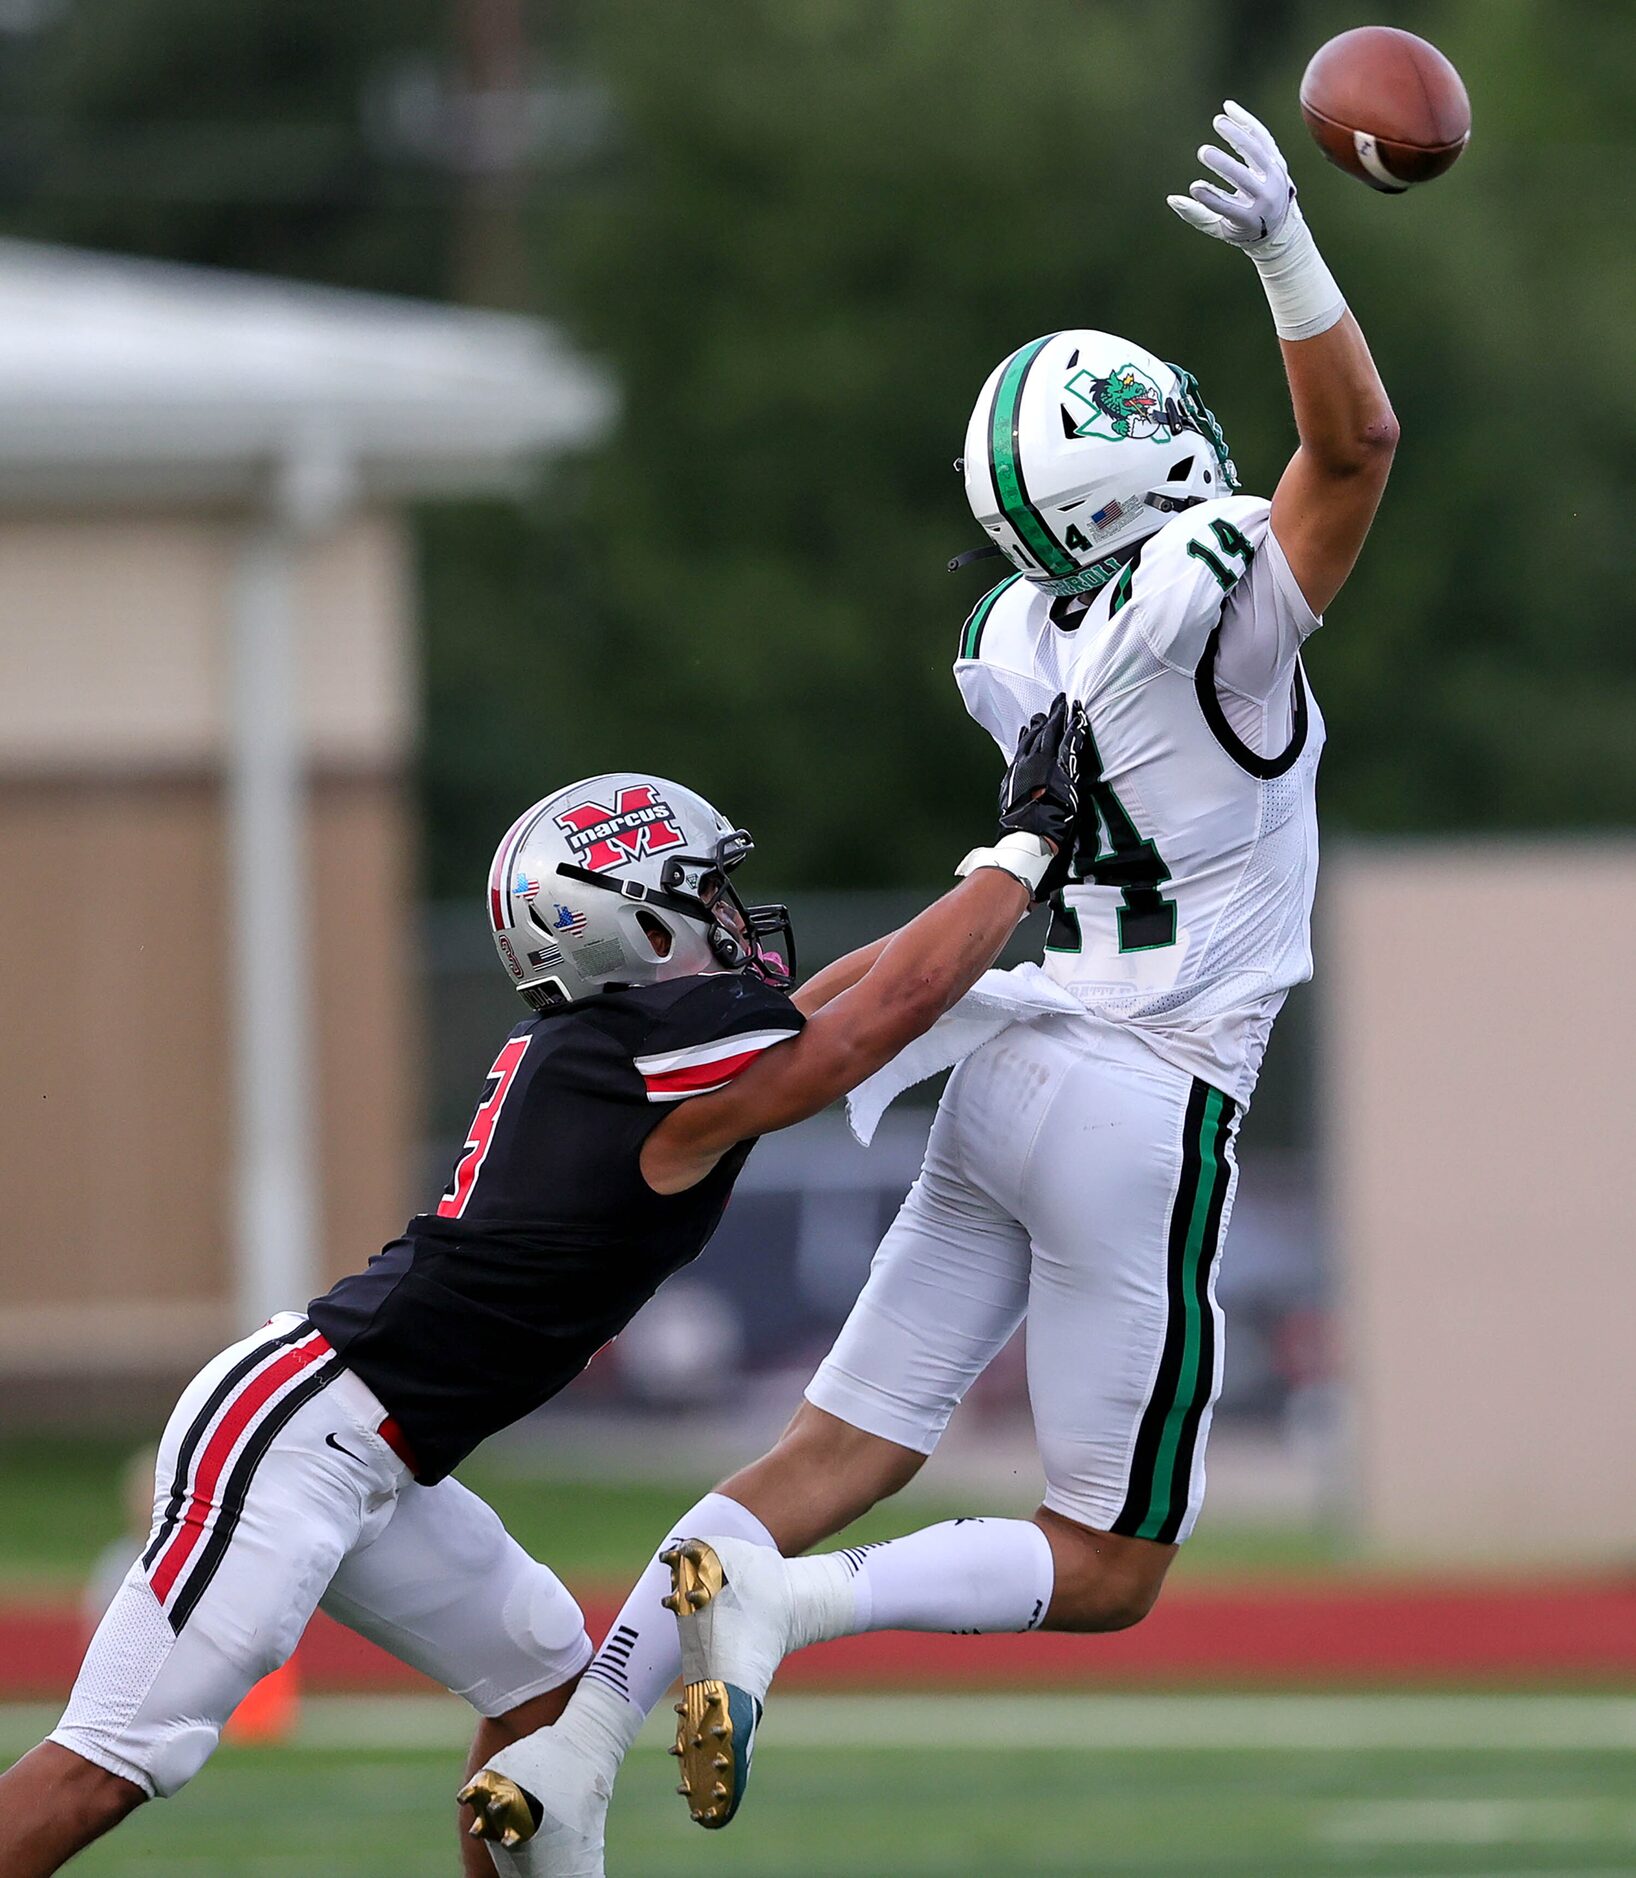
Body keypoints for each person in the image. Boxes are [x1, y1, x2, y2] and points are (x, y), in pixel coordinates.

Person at [471, 98, 1397, 1871]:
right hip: (1150, 1086)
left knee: (826, 1445)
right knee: (1107, 1561)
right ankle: (790, 1623)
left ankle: (579, 1742)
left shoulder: (1010, 638)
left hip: (1012, 1060)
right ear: (1143, 475)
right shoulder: (1213, 591)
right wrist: (1293, 248)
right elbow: (1351, 450)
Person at [0, 718, 1083, 1878]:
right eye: (703, 892)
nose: (730, 915)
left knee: (546, 1703)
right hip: (302, 1433)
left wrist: (997, 903)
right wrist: (1019, 851)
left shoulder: (620, 1049)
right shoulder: (635, 1054)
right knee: (107, 1763)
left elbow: (832, 1016)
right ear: (639, 920)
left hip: (372, 1441)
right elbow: (871, 1026)